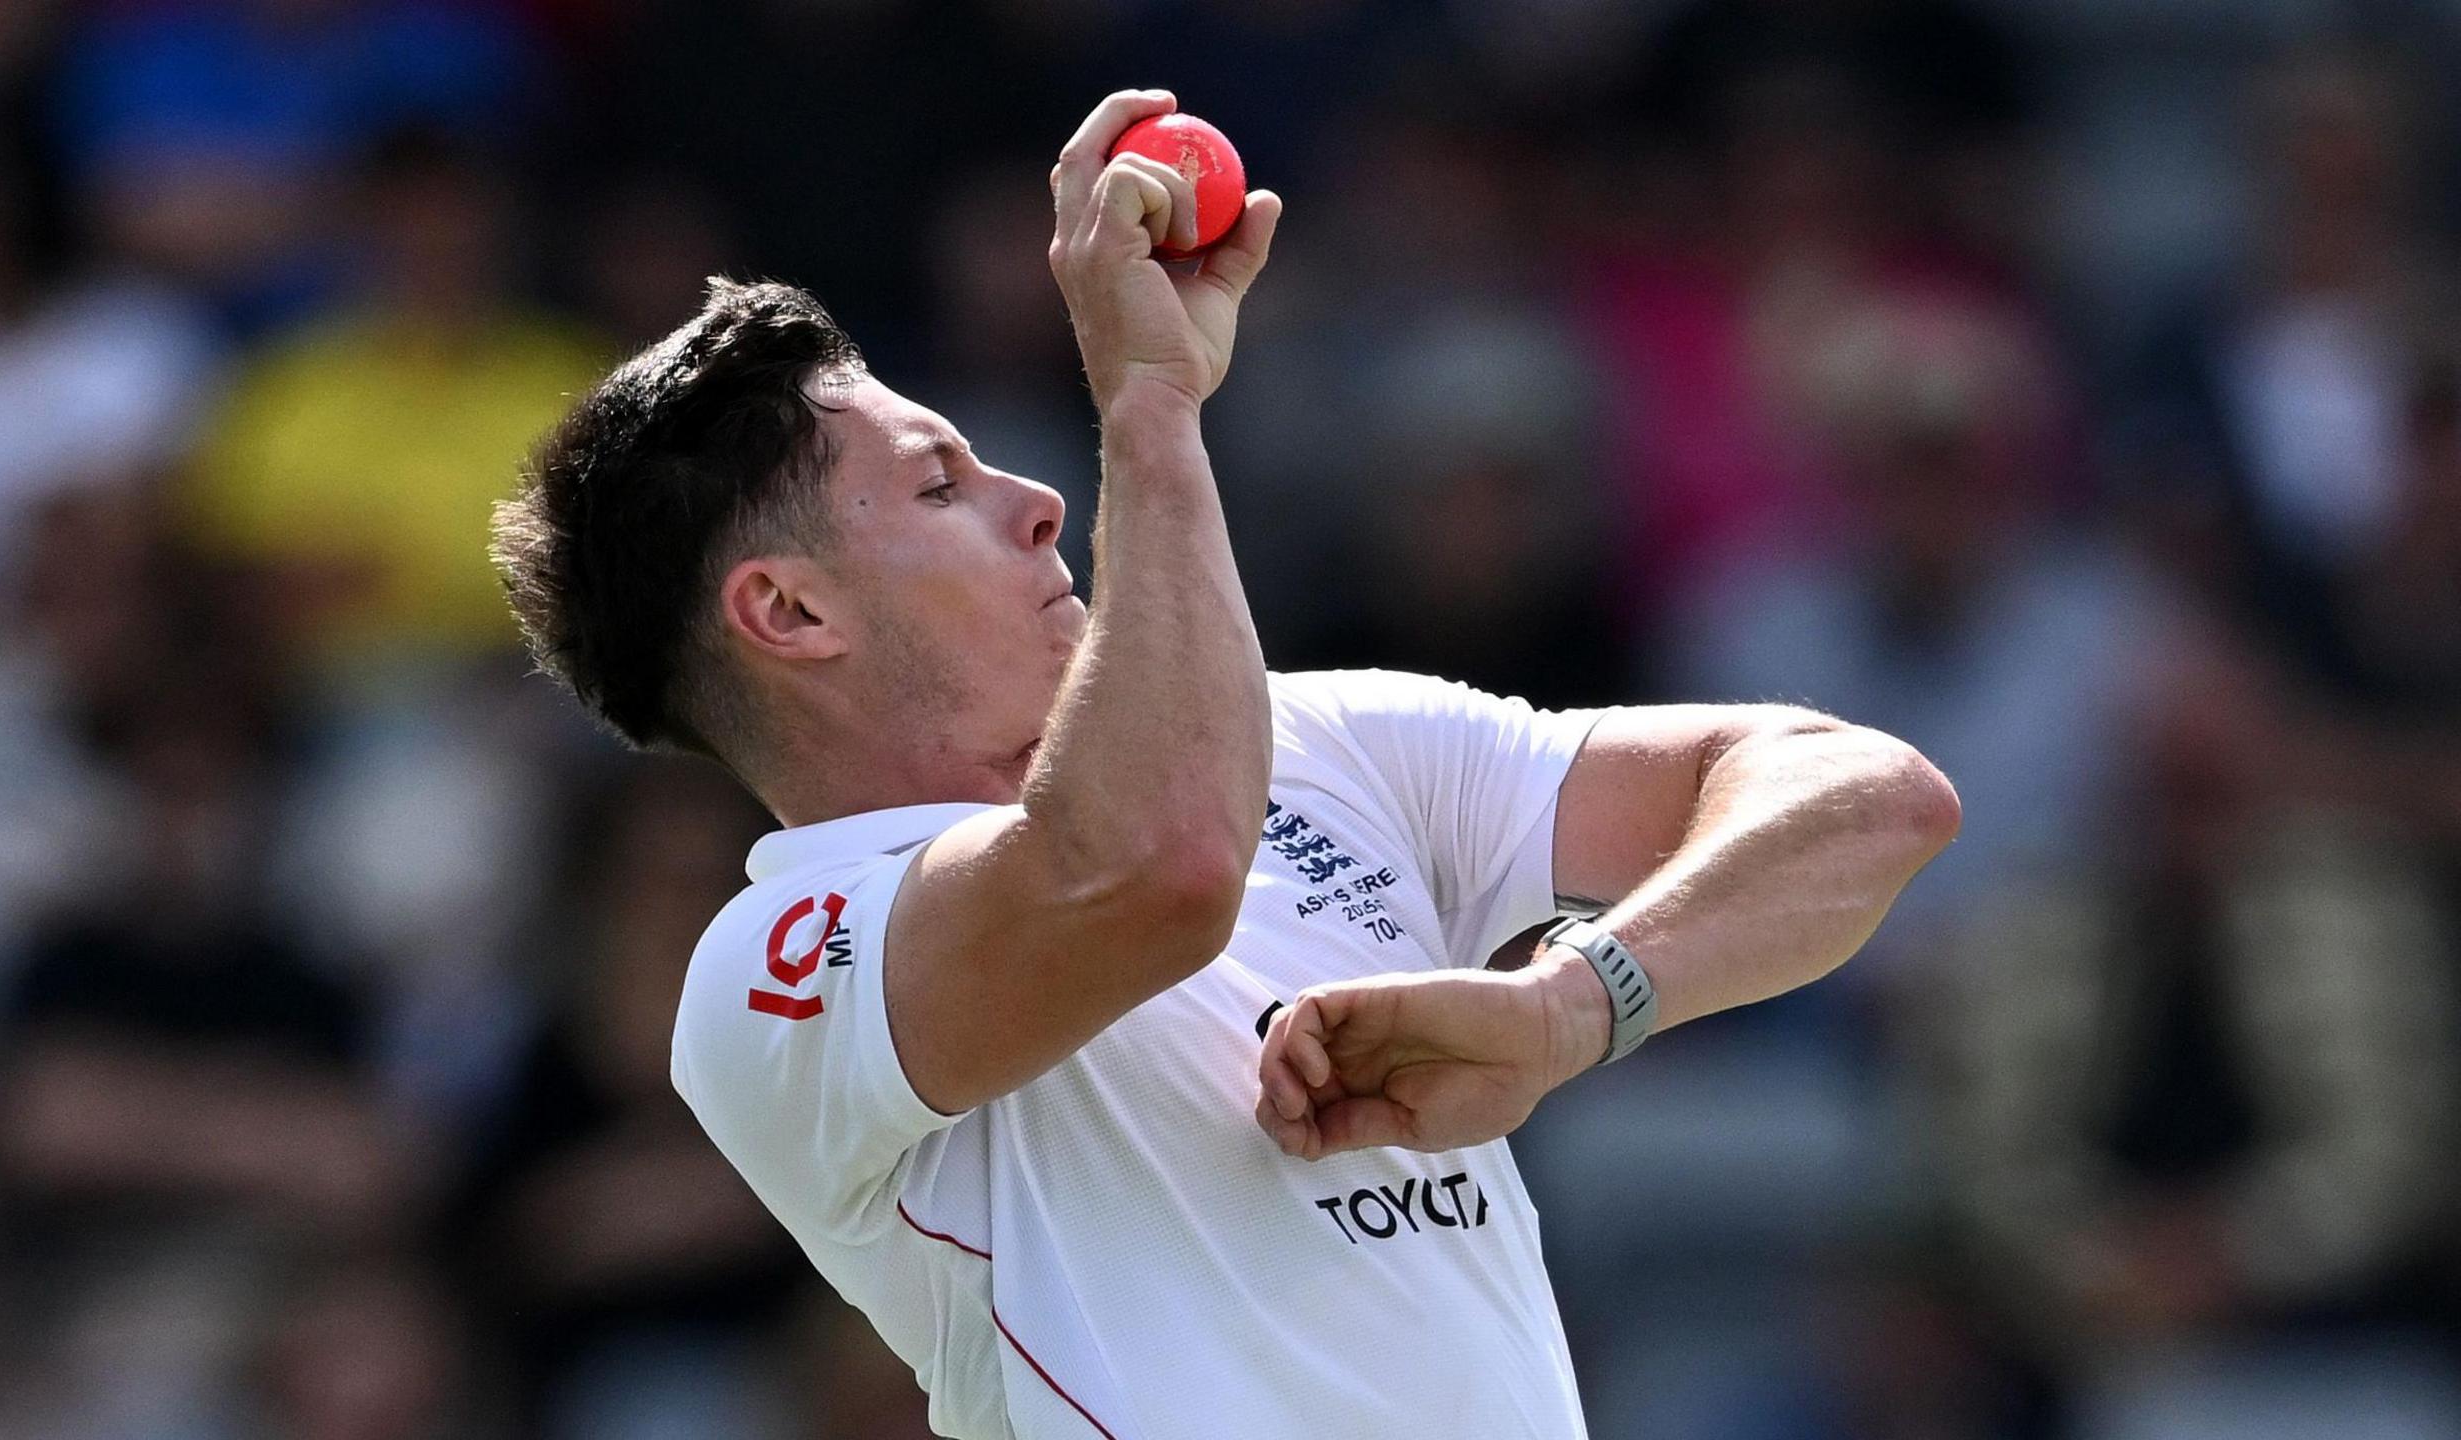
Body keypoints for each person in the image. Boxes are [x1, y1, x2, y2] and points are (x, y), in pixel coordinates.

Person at [491, 90, 1960, 1440]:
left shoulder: (1321, 742)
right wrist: (1149, 406)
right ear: (789, 613)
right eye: (941, 483)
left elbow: (1869, 797)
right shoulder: (781, 965)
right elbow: (1158, 864)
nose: (1035, 499)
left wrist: (1571, 1006)